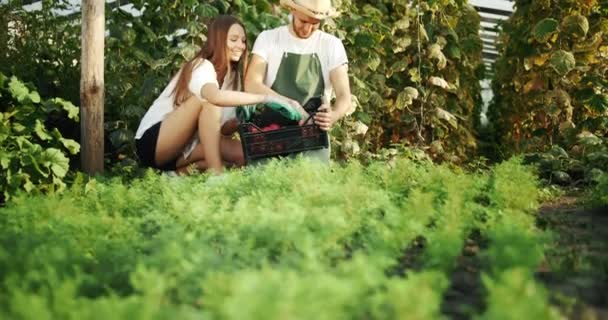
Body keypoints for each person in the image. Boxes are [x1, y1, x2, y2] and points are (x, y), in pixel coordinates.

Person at [134, 15, 302, 175]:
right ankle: (217, 174)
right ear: (219, 40)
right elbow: (212, 98)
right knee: (208, 100)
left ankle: (176, 175)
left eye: (243, 41)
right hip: (155, 142)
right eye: (233, 40)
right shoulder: (201, 65)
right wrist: (266, 97)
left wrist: (241, 121)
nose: (241, 46)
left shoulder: (232, 81)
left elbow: (220, 129)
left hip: (186, 148)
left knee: (242, 155)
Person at [245, 0, 353, 163]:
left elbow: (344, 96)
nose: (307, 29)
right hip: (270, 132)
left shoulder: (332, 45)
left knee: (309, 183)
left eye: (314, 24)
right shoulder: (268, 39)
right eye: (303, 21)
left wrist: (334, 114)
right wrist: (291, 105)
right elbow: (251, 84)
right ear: (292, 10)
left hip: (312, 134)